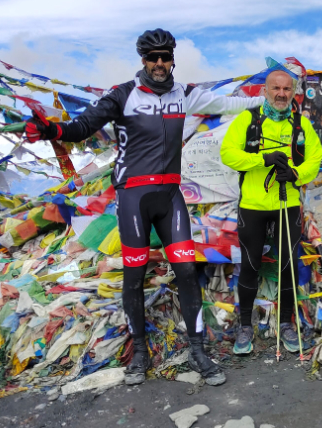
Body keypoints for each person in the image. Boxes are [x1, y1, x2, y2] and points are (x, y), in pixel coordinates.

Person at [25, 29, 267, 386]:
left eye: (165, 56)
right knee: (134, 278)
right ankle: (139, 353)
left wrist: (270, 101)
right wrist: (50, 131)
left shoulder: (185, 94)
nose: (159, 63)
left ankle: (198, 351)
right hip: (134, 199)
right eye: (152, 57)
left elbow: (228, 105)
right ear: (143, 60)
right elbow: (82, 126)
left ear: (172, 59)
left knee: (186, 273)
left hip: (171, 197)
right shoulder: (123, 95)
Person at [220, 65, 322, 356]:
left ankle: (287, 324)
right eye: (275, 88)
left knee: (288, 266)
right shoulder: (248, 120)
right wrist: (263, 159)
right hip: (252, 205)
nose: (281, 94)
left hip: (287, 204)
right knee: (251, 265)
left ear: (293, 92)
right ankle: (244, 327)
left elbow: (315, 158)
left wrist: (295, 174)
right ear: (265, 90)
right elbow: (228, 153)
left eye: (286, 89)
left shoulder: (301, 125)